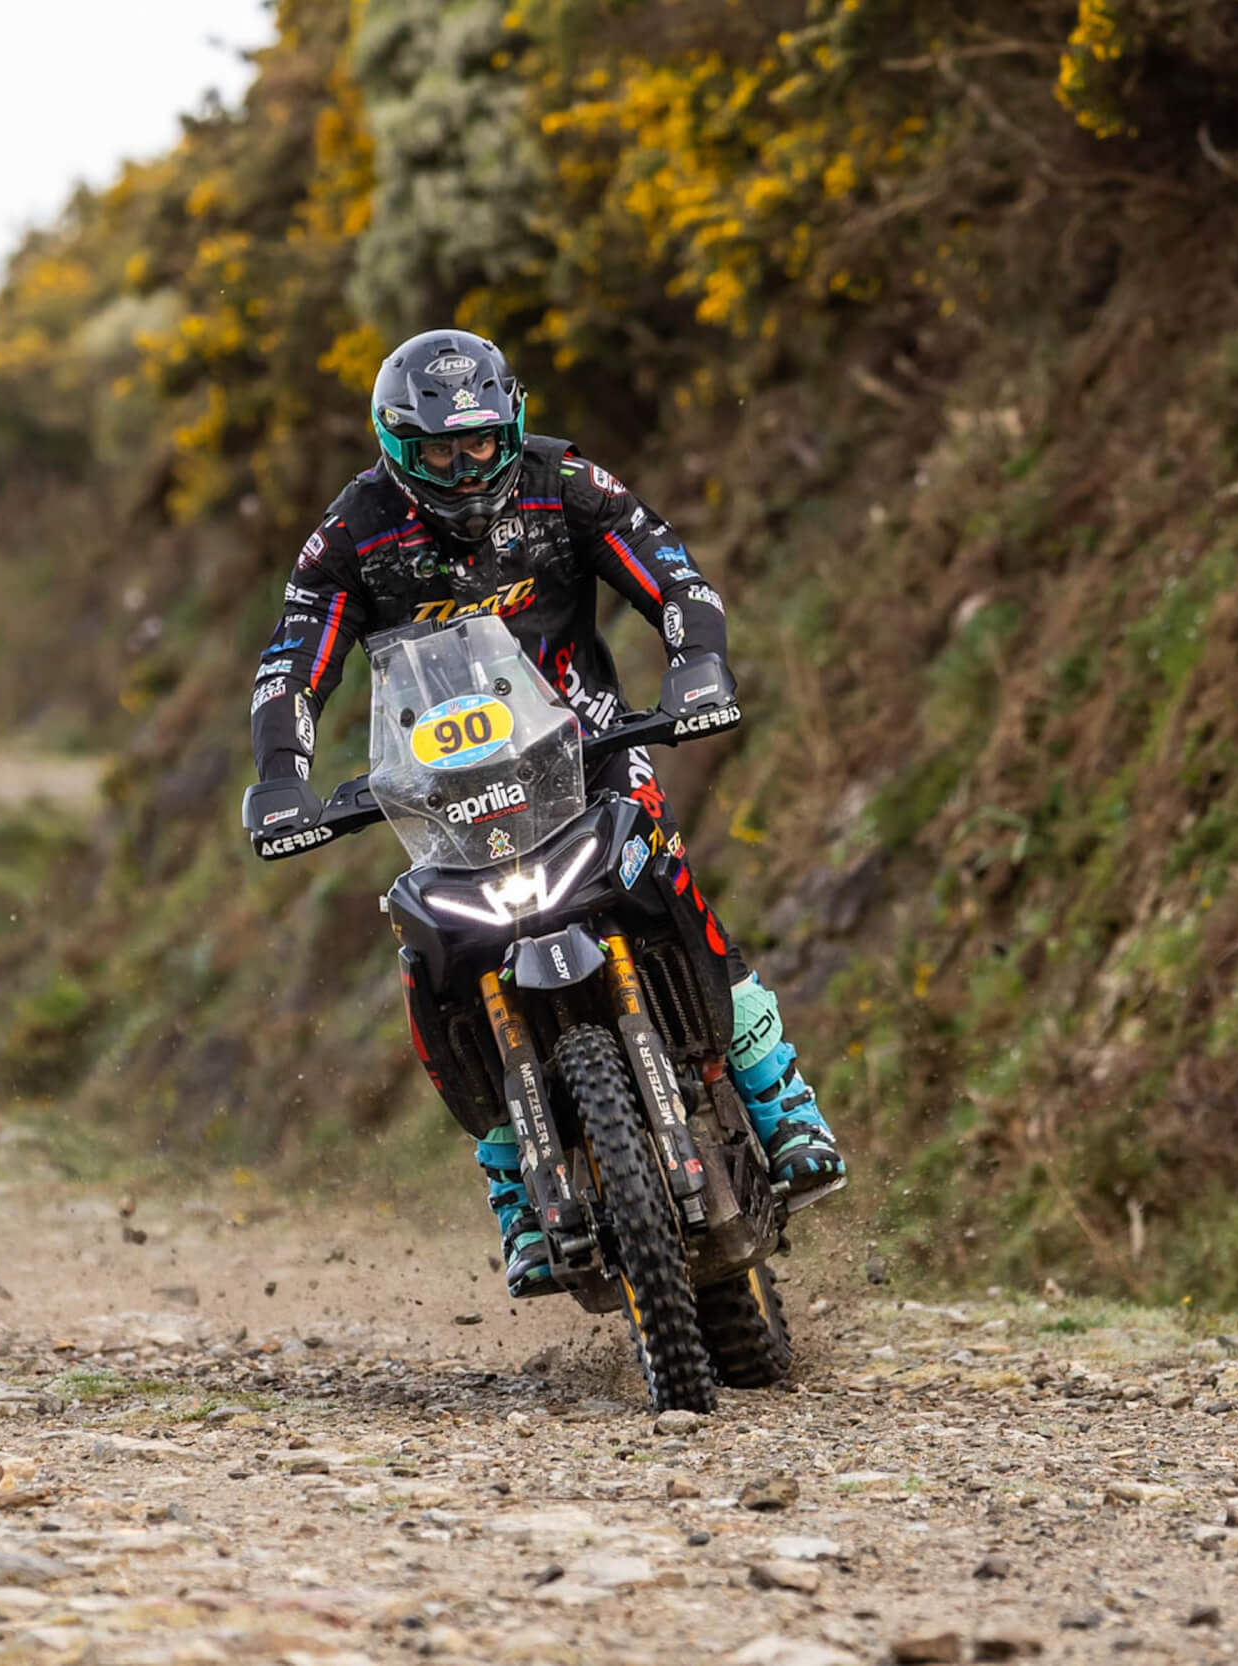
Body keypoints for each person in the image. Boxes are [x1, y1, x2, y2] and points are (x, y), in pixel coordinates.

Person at [246, 328, 844, 1297]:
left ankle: (781, 1100)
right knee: (432, 957)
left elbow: (675, 576)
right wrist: (280, 777)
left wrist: (696, 665)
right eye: (438, 453)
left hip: (589, 747)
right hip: (445, 794)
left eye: (480, 444)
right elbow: (291, 661)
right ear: (396, 448)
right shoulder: (351, 531)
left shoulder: (565, 483)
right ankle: (513, 1187)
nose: (464, 468)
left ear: (510, 425)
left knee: (670, 877)